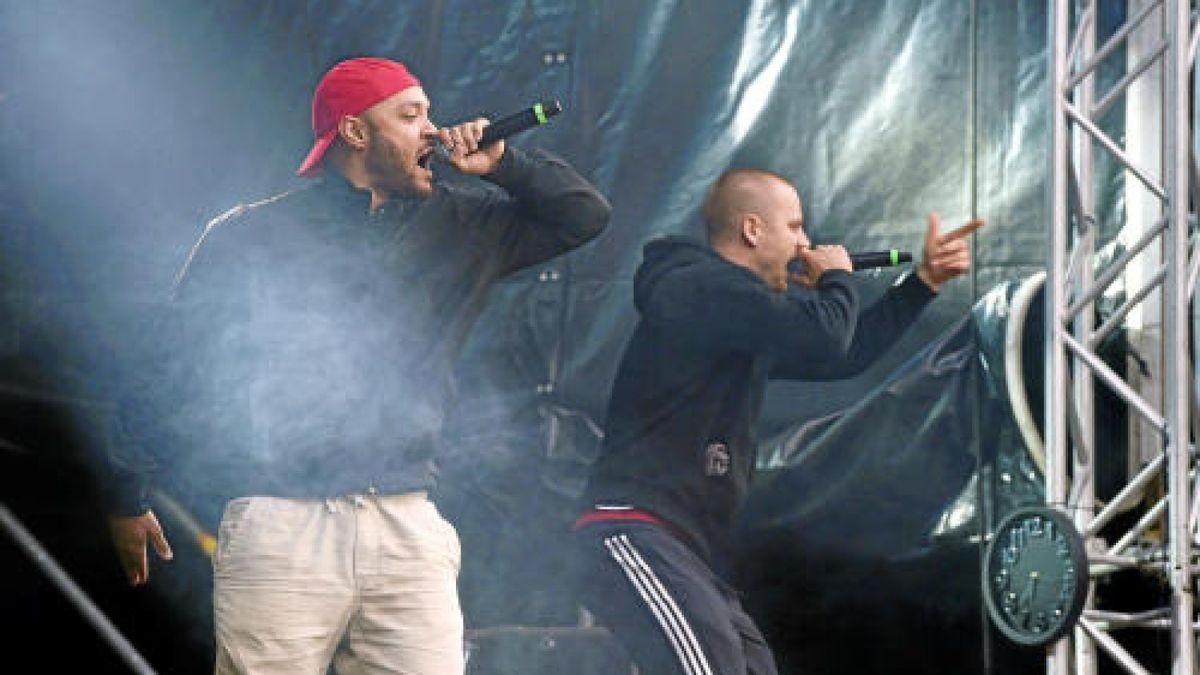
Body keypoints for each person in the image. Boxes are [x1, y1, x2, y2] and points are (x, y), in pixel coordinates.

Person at [104, 57, 610, 674]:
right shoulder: (255, 234)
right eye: (410, 114)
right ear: (353, 132)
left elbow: (585, 215)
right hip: (283, 522)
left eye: (429, 112)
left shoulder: (464, 223)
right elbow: (163, 362)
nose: (433, 129)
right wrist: (126, 492)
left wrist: (505, 164)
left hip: (406, 523)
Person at [573, 168, 979, 674]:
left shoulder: (738, 314)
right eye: (795, 227)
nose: (805, 242)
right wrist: (835, 275)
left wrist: (922, 285)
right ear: (752, 230)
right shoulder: (700, 289)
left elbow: (843, 355)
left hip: (686, 547)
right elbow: (826, 335)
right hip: (633, 525)